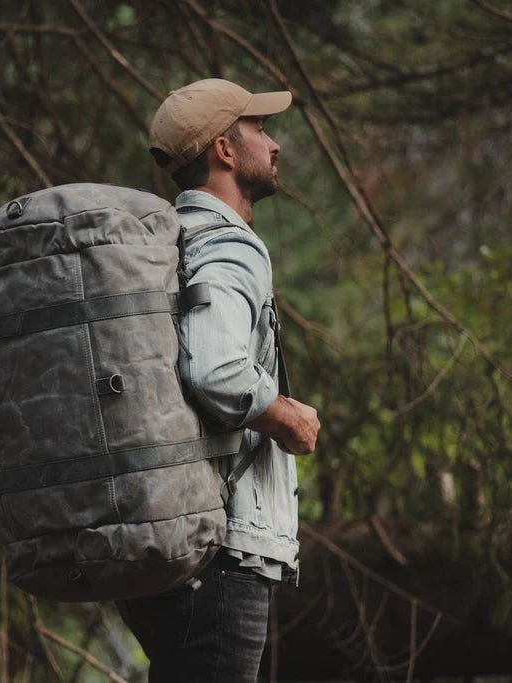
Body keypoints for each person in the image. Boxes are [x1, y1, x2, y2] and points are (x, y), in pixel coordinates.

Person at [116, 78, 322, 682]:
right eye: (259, 129)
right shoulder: (229, 244)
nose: (275, 143)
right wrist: (288, 417)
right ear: (225, 151)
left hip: (165, 543)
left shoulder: (164, 246)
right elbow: (216, 368)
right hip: (221, 551)